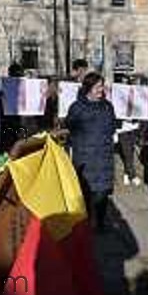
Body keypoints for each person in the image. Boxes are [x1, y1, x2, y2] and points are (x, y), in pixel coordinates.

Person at [65, 72, 117, 232]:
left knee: (102, 194)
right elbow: (70, 127)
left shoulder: (108, 106)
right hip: (85, 156)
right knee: (86, 193)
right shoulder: (77, 107)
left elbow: (112, 126)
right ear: (89, 88)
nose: (101, 90)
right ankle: (86, 225)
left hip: (104, 155)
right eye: (98, 87)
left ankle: (100, 223)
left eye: (102, 86)